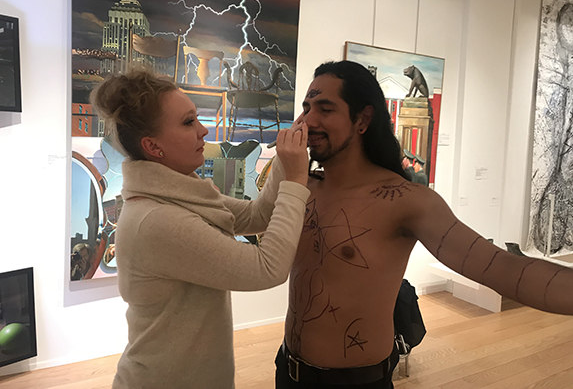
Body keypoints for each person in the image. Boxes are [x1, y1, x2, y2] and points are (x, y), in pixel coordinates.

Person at [274, 60, 573, 388]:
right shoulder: (301, 189)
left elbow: (500, 267)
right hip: (287, 370)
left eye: (325, 109)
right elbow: (255, 234)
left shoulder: (406, 201)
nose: (308, 121)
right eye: (307, 108)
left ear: (362, 120)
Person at [90, 67, 311, 389]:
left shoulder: (179, 196)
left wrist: (285, 156)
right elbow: (267, 269)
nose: (204, 130)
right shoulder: (157, 220)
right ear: (153, 147)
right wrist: (296, 180)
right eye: (188, 122)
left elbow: (257, 215)